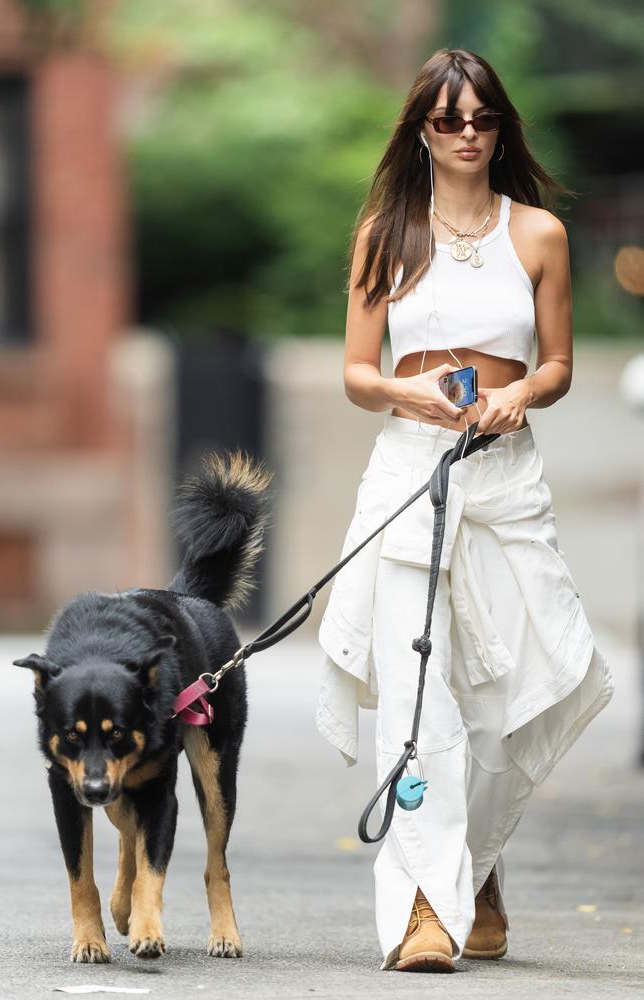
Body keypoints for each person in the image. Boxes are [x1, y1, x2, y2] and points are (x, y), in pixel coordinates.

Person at [315, 48, 614, 974]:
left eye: (483, 117)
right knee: (416, 696)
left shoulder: (540, 236)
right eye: (448, 120)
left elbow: (559, 364)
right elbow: (360, 374)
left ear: (501, 126)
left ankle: (472, 869)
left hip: (504, 478)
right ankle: (421, 912)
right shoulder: (384, 234)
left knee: (510, 698)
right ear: (421, 131)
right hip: (410, 470)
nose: (468, 134)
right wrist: (412, 401)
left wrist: (521, 394)